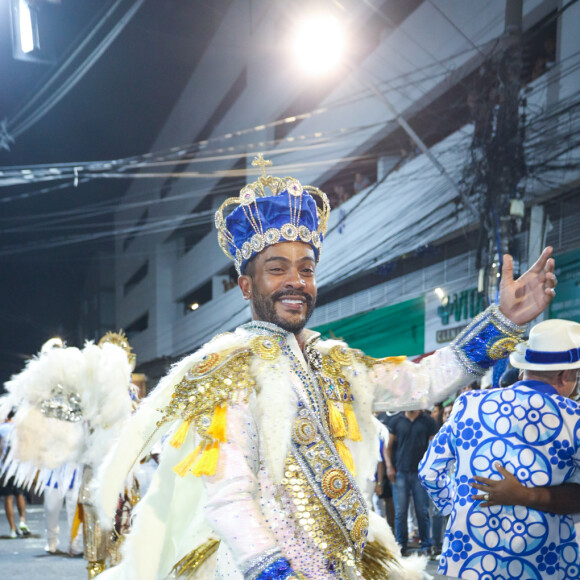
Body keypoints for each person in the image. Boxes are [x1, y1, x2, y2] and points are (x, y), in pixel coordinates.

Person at [95, 155, 556, 580]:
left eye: (307, 268)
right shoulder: (230, 369)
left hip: (347, 562)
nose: (296, 281)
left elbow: (423, 383)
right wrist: (275, 573)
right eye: (277, 269)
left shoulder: (335, 360)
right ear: (244, 285)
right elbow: (230, 497)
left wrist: (501, 323)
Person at [418, 318, 580, 579]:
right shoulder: (574, 418)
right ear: (565, 375)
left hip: (469, 560)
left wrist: (456, 509)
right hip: (544, 562)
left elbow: (429, 472)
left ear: (523, 369)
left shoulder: (468, 404)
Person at [383, 409, 437, 556]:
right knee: (400, 512)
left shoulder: (428, 421)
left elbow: (434, 447)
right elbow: (387, 447)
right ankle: (401, 545)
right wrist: (389, 466)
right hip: (400, 471)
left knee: (422, 511)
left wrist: (430, 468)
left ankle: (426, 545)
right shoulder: (395, 421)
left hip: (420, 473)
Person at [0, 411, 31, 539]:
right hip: (18, 467)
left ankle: (13, 529)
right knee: (20, 494)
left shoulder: (1, 429)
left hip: (4, 469)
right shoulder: (19, 428)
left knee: (8, 498)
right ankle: (22, 520)